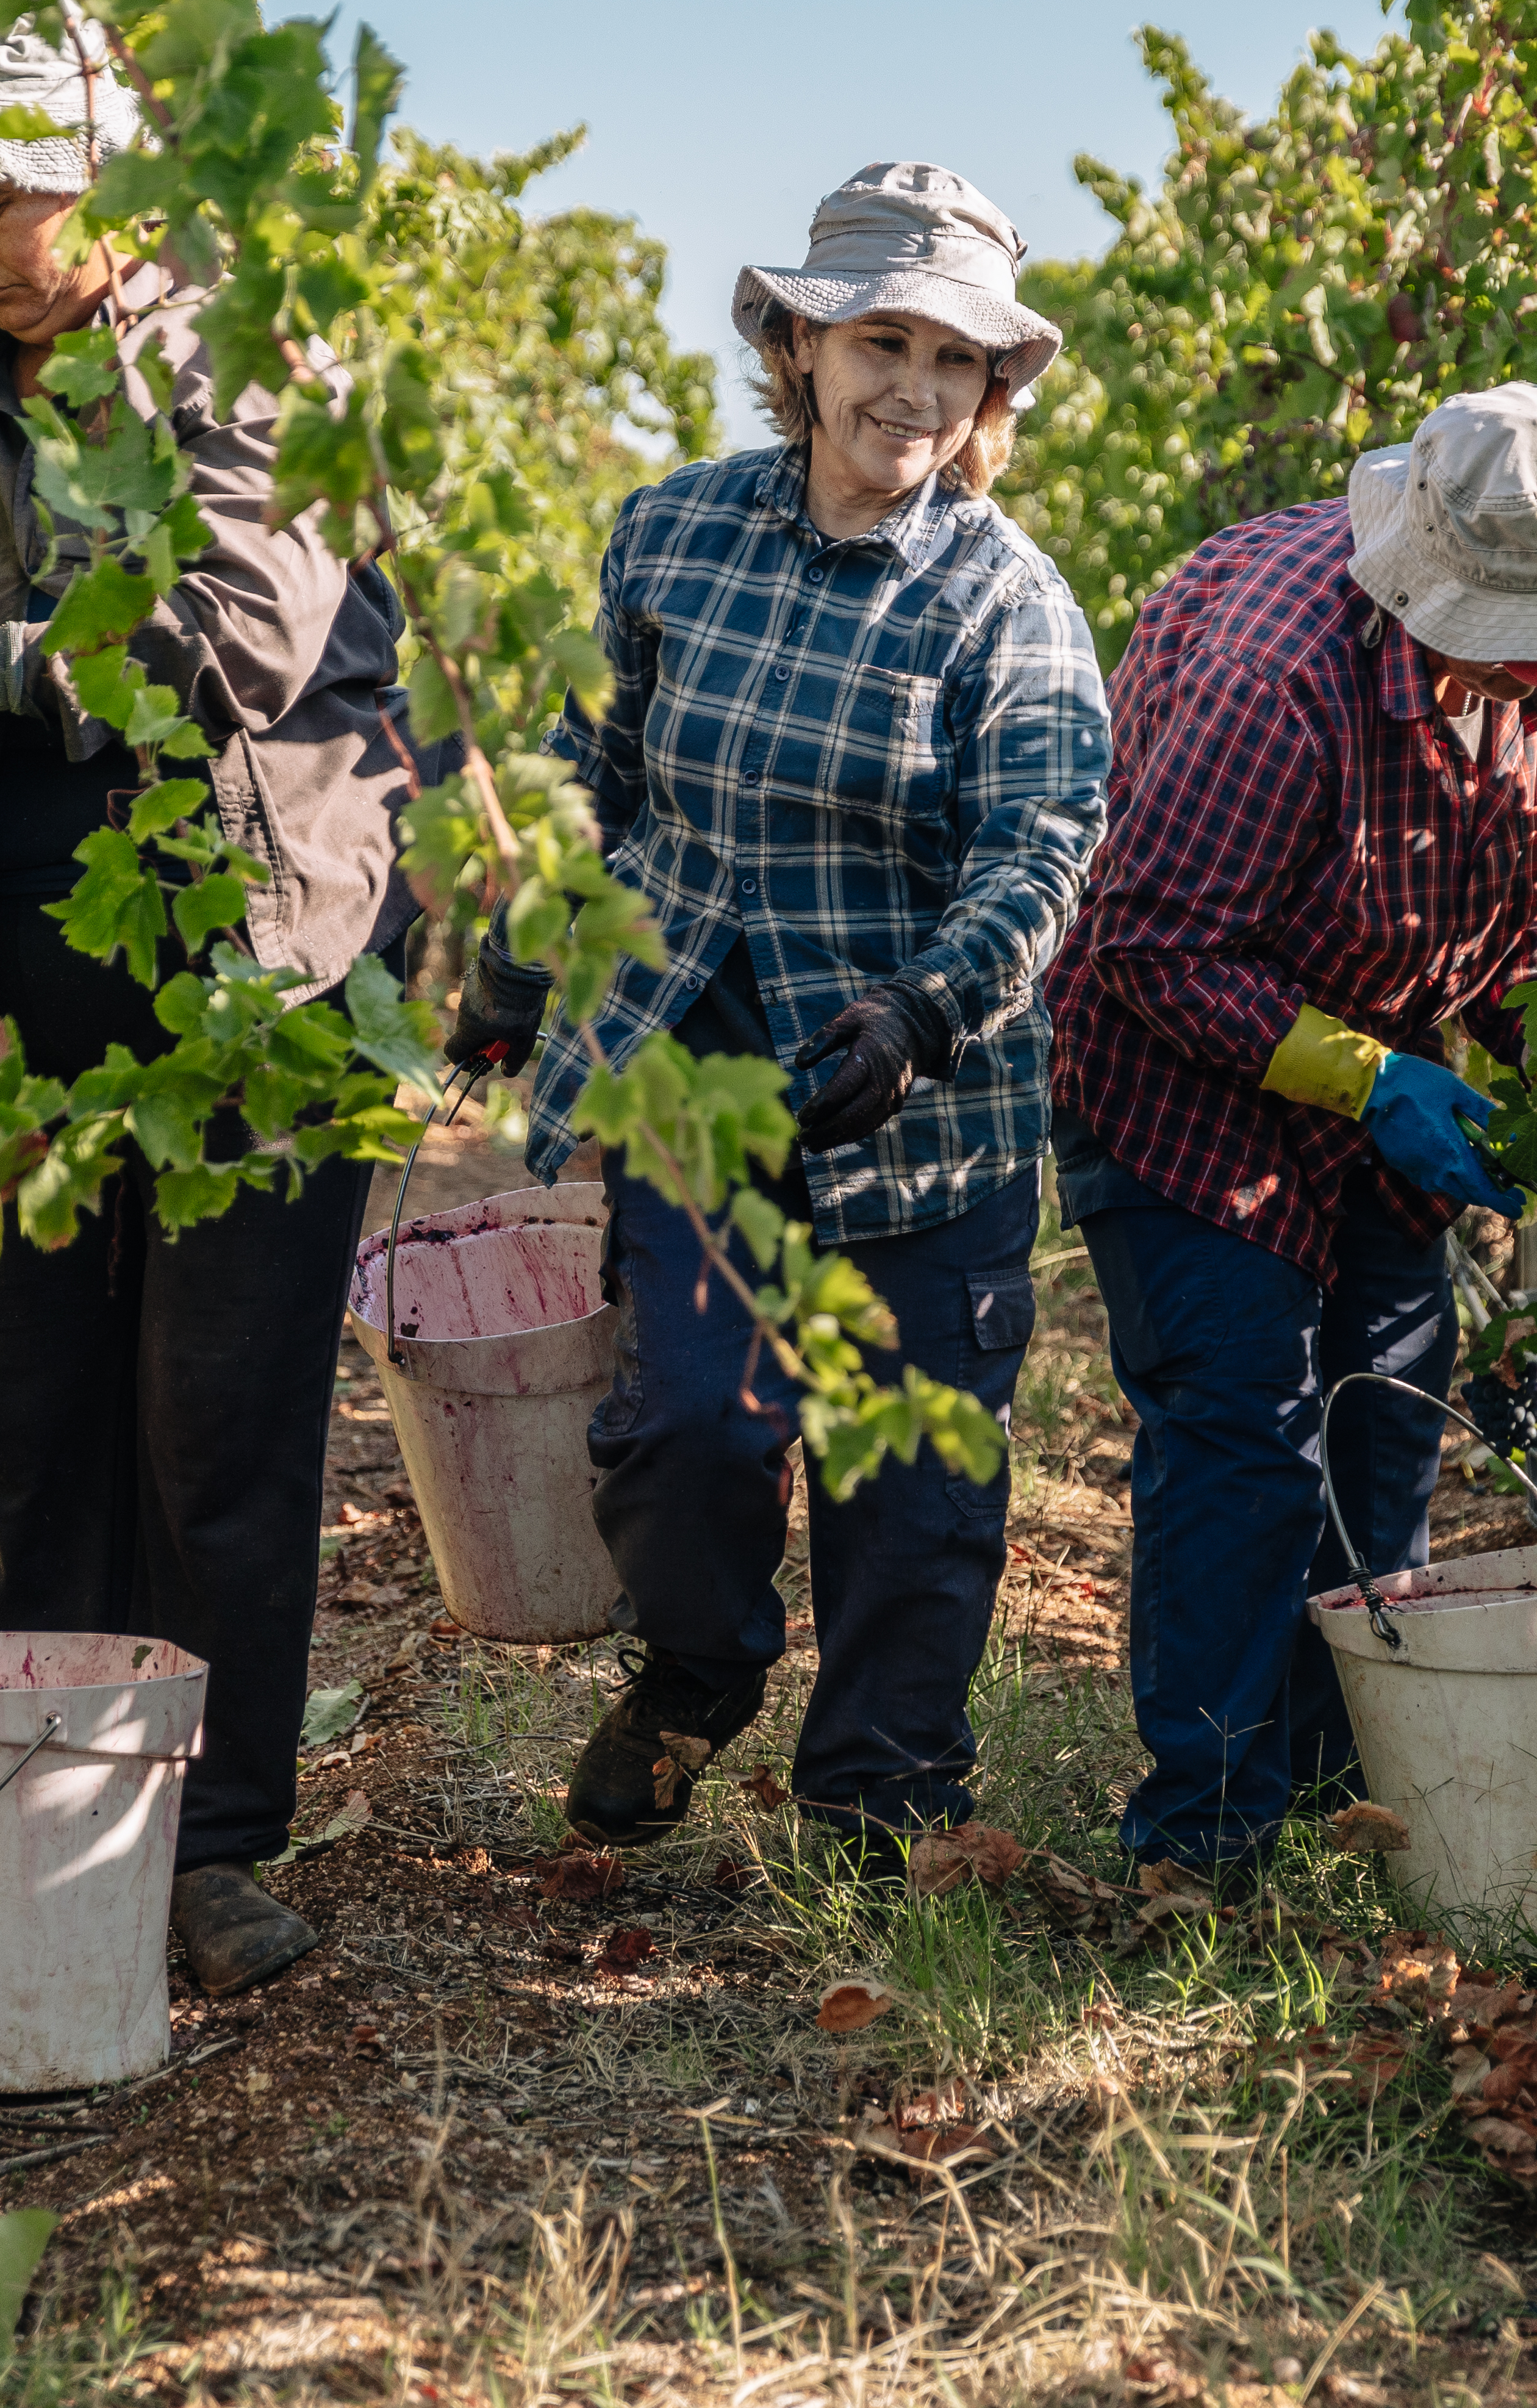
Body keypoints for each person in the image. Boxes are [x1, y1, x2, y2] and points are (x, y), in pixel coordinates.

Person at [0, 0, 411, 1995]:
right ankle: (58, 1813)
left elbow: (238, 635)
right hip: (19, 976)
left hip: (259, 968)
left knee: (216, 1418)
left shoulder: (256, 363)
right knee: (35, 1409)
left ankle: (216, 1842)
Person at [442, 164, 1111, 1863]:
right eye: (883, 339)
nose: (918, 387)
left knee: (916, 1499)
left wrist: (918, 1013)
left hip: (914, 1099)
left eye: (959, 361)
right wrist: (519, 956)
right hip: (685, 1066)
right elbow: (587, 768)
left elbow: (1040, 851)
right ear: (800, 347)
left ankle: (881, 1803)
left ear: (991, 395)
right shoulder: (670, 529)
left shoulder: (1006, 601)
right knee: (683, 1425)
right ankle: (697, 1670)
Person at [1041, 384, 1537, 1891]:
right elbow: (1147, 943)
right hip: (1180, 1081)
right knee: (1247, 1427)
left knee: (1383, 1416)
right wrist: (1372, 1078)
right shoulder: (1281, 672)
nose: (1519, 667)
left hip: (1379, 1057)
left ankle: (1337, 1799)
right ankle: (1204, 1835)